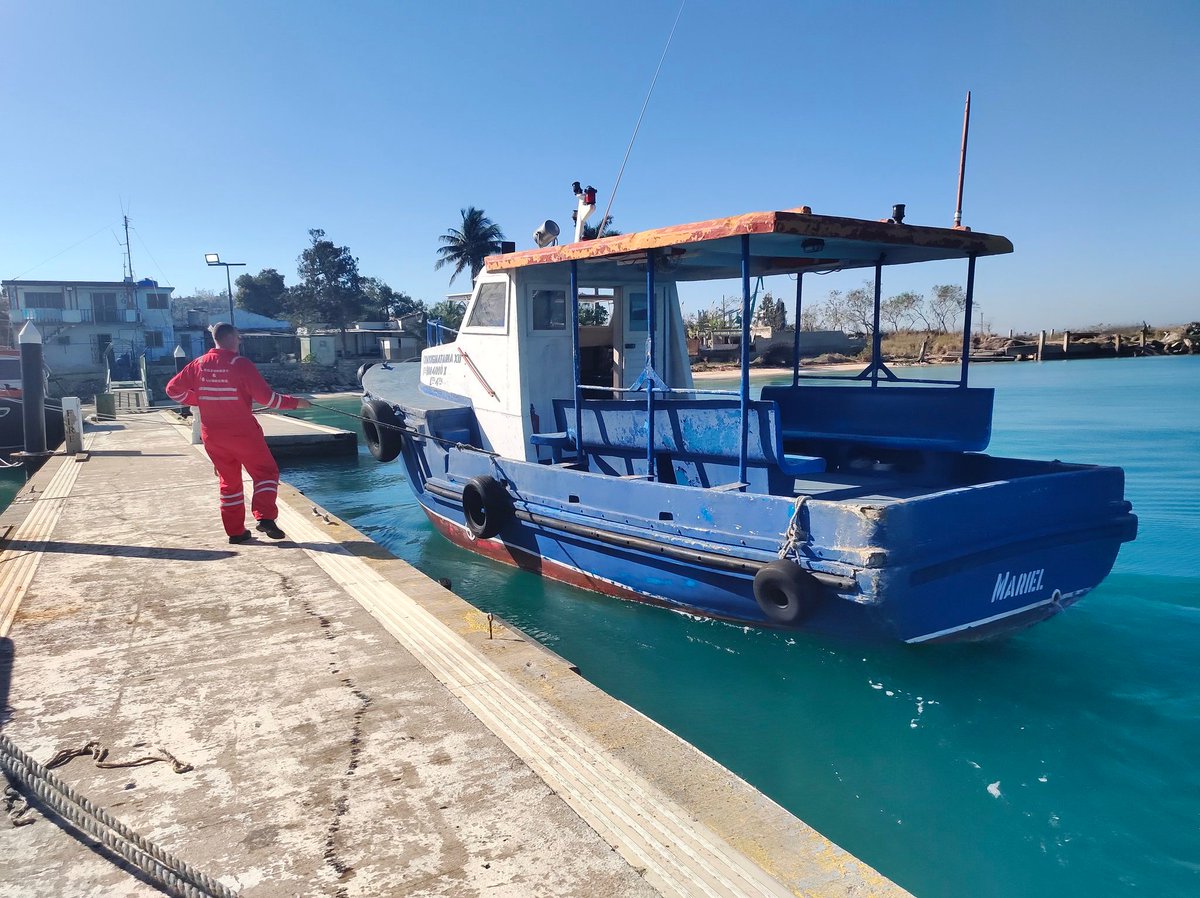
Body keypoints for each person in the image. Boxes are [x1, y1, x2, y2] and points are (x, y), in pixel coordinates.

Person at [166, 323, 311, 543]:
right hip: (243, 433)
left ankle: (235, 532)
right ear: (232, 338)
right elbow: (267, 399)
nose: (240, 340)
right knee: (265, 473)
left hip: (212, 436)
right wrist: (297, 403)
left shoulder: (199, 363)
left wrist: (200, 400)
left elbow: (172, 389)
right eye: (238, 337)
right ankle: (265, 518)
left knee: (228, 482)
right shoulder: (240, 364)